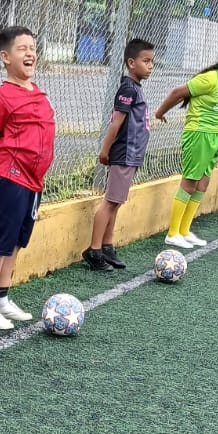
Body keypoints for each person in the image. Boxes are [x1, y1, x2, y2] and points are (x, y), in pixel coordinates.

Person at [0, 26, 55, 330]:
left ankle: (2, 298)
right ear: (6, 57)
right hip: (8, 178)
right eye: (22, 48)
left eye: (32, 47)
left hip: (33, 181)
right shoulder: (2, 97)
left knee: (16, 242)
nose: (30, 53)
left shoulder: (38, 93)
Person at [155, 53, 218, 249]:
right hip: (198, 134)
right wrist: (160, 112)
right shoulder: (208, 79)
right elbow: (177, 92)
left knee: (203, 184)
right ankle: (173, 233)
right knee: (190, 182)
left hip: (212, 137)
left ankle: (184, 231)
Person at [82, 38, 155, 273]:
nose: (150, 66)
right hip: (124, 152)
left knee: (116, 202)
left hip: (132, 155)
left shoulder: (135, 88)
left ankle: (107, 245)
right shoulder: (128, 89)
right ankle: (94, 250)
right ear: (131, 63)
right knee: (110, 201)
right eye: (146, 61)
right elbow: (116, 123)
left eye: (152, 62)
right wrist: (105, 150)